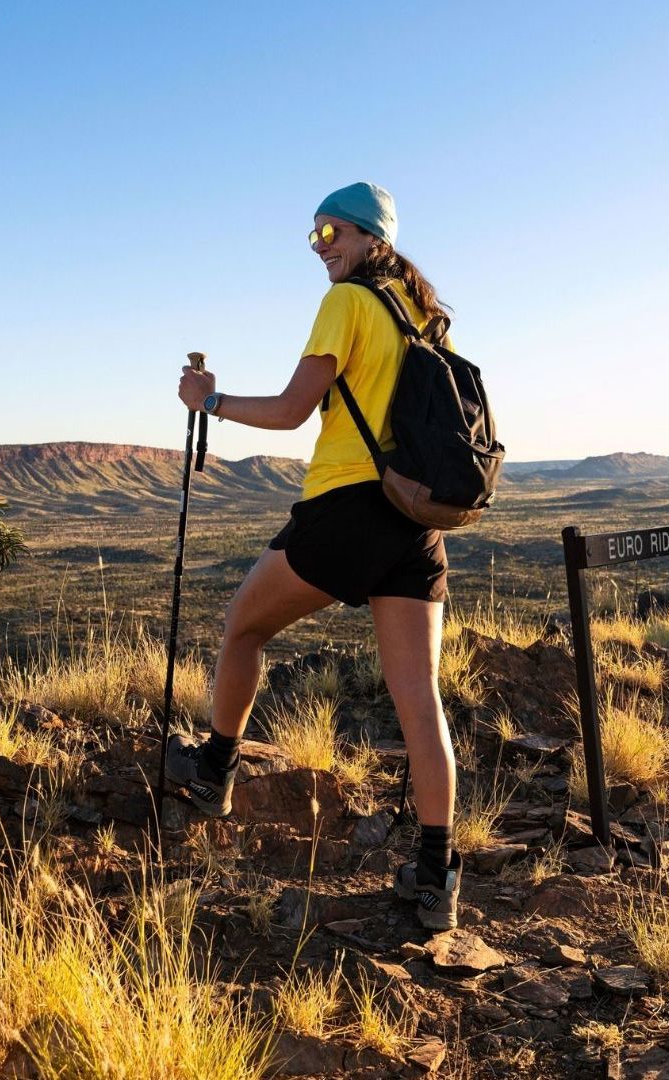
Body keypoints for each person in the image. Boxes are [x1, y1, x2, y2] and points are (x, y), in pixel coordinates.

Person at [170, 182, 464, 928]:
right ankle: (437, 879)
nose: (322, 244)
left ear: (374, 239)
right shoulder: (425, 317)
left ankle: (216, 775)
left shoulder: (349, 304)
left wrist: (211, 401)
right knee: (418, 699)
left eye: (334, 230)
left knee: (242, 627)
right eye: (314, 235)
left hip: (348, 510)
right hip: (415, 519)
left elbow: (291, 410)